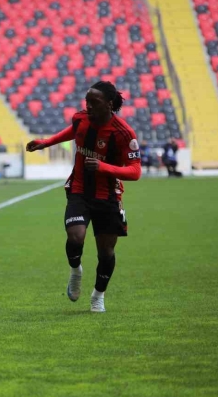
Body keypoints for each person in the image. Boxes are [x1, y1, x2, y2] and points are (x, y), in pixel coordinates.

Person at [25, 81, 142, 313]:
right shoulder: (80, 118)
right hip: (79, 190)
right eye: (86, 101)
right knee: (75, 236)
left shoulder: (123, 133)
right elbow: (74, 131)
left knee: (106, 252)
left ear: (109, 104)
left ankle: (98, 295)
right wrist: (47, 142)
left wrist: (103, 167)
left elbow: (135, 171)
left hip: (108, 196)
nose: (87, 106)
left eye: (94, 102)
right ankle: (76, 270)